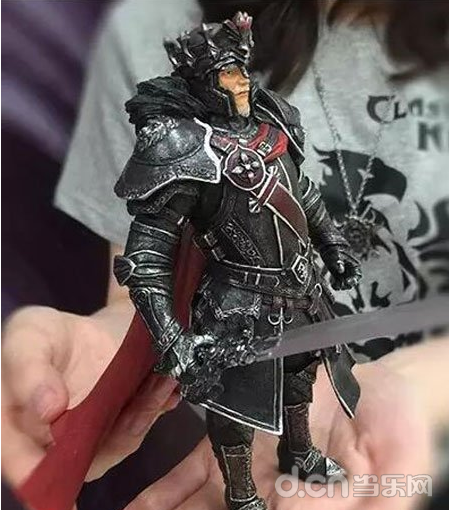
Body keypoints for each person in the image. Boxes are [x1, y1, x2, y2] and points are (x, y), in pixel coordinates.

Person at [2, 1, 448, 509]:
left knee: (300, 379)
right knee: (235, 410)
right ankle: (242, 489)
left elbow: (302, 194)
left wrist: (334, 248)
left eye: (239, 72)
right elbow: (149, 261)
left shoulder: (272, 121)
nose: (238, 85)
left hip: (303, 292)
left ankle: (299, 450)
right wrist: (148, 344)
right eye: (225, 75)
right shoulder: (178, 141)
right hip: (236, 307)